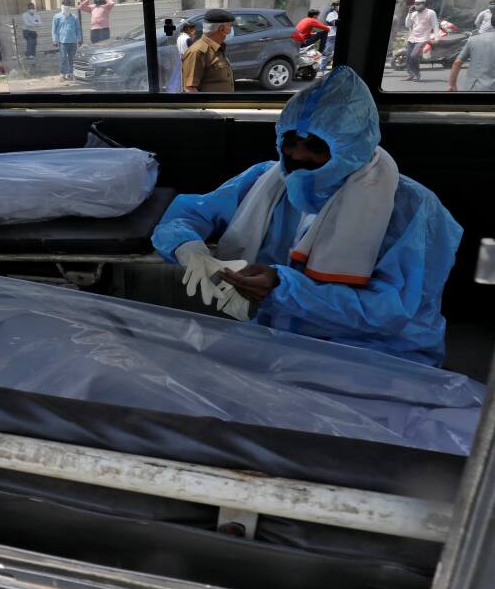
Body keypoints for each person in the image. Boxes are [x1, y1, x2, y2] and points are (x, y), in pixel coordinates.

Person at [152, 67, 463, 366]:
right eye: (290, 142)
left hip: (372, 350)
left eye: (316, 147)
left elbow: (392, 312)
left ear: (352, 146)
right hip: (273, 330)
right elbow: (190, 214)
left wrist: (283, 288)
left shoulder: (412, 207)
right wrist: (188, 247)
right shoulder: (265, 180)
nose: (298, 156)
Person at [447, 8, 495, 92]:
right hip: (492, 93)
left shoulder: (473, 39)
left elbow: (457, 63)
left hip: (469, 90)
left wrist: (452, 85)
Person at [181, 8, 235, 93]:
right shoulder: (197, 52)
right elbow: (190, 89)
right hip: (211, 106)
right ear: (222, 29)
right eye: (230, 26)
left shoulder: (218, 48)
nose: (231, 29)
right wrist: (207, 106)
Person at [403, 0, 441, 81]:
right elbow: (407, 25)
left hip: (423, 39)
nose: (416, 6)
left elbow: (435, 25)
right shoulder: (413, 13)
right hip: (412, 38)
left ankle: (417, 74)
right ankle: (411, 74)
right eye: (415, 4)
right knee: (408, 57)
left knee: (414, 55)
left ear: (424, 4)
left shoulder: (431, 13)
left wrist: (436, 37)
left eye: (418, 4)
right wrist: (409, 13)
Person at [52, 0, 81, 81]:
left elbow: (78, 29)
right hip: (62, 42)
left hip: (73, 41)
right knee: (63, 58)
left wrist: (79, 39)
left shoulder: (74, 17)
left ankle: (71, 73)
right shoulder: (57, 17)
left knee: (73, 58)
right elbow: (54, 30)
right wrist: (54, 39)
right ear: (62, 6)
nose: (66, 6)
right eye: (65, 5)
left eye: (68, 5)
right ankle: (62, 74)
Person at [320, 1, 339, 72]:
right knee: (327, 52)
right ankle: (321, 69)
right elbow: (334, 23)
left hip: (335, 35)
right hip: (332, 35)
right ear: (336, 7)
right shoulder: (331, 14)